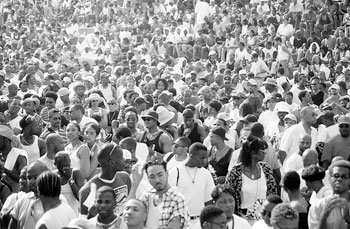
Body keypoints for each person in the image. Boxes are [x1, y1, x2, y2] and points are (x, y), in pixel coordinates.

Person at [225, 135, 277, 223]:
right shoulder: (236, 172)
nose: (265, 153)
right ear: (253, 152)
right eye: (262, 150)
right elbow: (228, 196)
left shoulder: (266, 169)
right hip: (243, 220)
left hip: (264, 220)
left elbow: (273, 193)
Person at [168, 142, 215, 229]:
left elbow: (209, 202)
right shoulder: (175, 172)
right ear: (192, 156)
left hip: (200, 222)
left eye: (206, 158)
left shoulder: (206, 174)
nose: (205, 161)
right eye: (202, 158)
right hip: (180, 223)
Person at [133, 159, 190, 229]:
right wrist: (135, 184)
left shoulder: (177, 199)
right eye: (152, 177)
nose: (157, 180)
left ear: (167, 173)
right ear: (147, 178)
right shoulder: (146, 196)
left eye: (160, 175)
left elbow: (173, 227)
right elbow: (130, 218)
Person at [79, 144, 131, 216]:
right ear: (112, 162)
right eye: (121, 158)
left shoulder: (125, 177)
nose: (124, 160)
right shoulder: (86, 191)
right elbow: (83, 222)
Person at [308, 160, 350, 228]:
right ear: (330, 179)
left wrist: (347, 218)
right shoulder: (317, 206)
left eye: (344, 176)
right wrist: (324, 215)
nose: (339, 179)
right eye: (336, 176)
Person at [9, 161, 49, 229]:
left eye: (35, 178)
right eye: (29, 178)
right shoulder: (22, 200)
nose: (31, 182)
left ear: (46, 176)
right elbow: (12, 226)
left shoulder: (55, 201)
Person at [0, 125, 27, 193]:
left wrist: (4, 170)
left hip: (17, 197)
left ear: (6, 140)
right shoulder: (1, 156)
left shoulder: (19, 156)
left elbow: (23, 179)